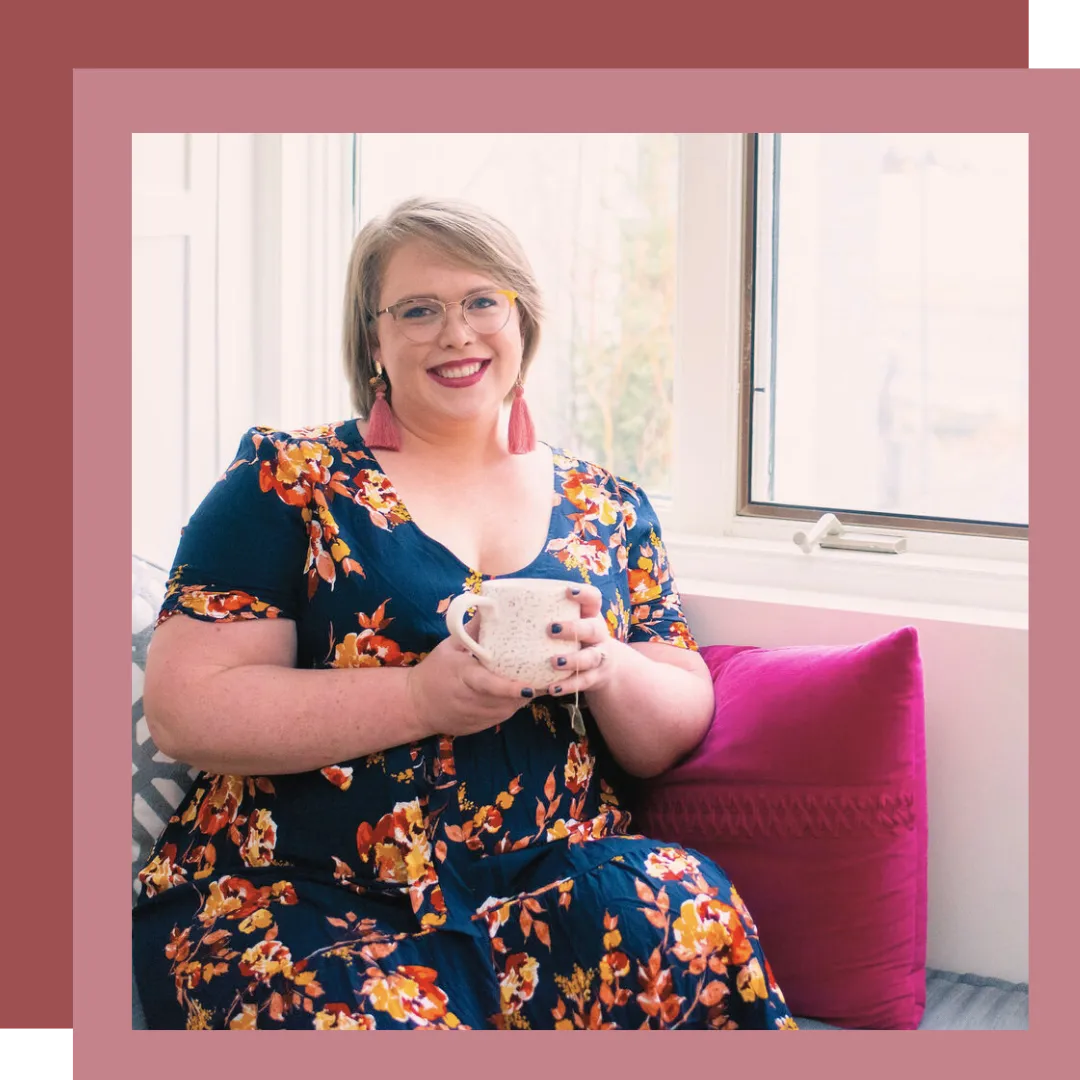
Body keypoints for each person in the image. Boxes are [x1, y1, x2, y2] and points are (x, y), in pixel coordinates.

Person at [133, 196, 796, 1031]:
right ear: (372, 340)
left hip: (552, 875)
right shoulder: (286, 479)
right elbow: (188, 709)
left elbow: (669, 731)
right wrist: (418, 700)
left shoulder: (610, 507)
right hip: (309, 885)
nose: (458, 333)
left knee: (688, 912)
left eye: (483, 301)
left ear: (522, 323)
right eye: (419, 310)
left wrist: (606, 664)